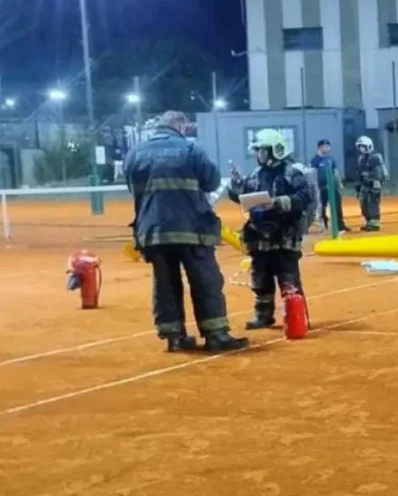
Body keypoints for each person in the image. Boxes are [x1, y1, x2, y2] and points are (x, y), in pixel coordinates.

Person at [123, 111, 248, 352]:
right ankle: (216, 334)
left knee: (165, 284)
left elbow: (133, 189)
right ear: (179, 126)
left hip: (153, 231)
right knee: (205, 281)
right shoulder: (191, 150)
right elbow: (211, 182)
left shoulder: (135, 153)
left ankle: (175, 338)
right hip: (192, 228)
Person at [228, 129, 314, 330]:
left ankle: (296, 318)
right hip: (259, 236)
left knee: (288, 279)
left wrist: (279, 202)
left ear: (275, 150)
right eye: (258, 151)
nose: (259, 155)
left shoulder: (292, 173)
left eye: (262, 150)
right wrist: (237, 184)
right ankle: (263, 316)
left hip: (285, 235)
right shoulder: (256, 174)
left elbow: (305, 198)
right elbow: (242, 197)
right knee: (261, 278)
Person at [310, 139, 349, 233]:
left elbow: (335, 172)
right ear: (320, 148)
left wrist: (339, 183)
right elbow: (313, 174)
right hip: (321, 187)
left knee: (337, 206)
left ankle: (340, 225)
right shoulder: (315, 160)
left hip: (332, 187)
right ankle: (324, 225)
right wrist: (314, 187)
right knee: (321, 207)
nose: (327, 148)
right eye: (325, 146)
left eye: (328, 146)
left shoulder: (331, 159)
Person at [355, 135, 387, 231]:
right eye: (360, 146)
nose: (361, 148)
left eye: (363, 146)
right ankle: (369, 221)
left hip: (373, 184)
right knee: (363, 204)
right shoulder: (361, 158)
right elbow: (359, 173)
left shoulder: (375, 157)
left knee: (372, 203)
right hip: (364, 184)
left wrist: (373, 181)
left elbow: (379, 172)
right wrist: (358, 186)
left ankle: (374, 223)